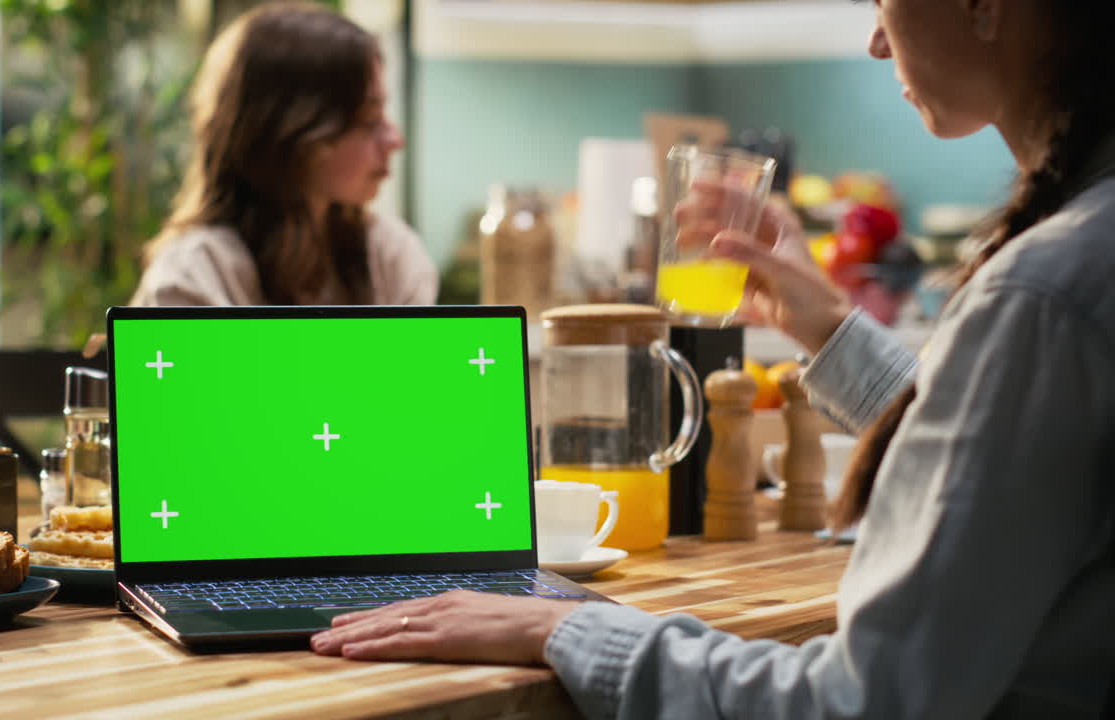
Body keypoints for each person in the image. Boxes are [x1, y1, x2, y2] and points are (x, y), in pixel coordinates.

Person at [310, 2, 1115, 716]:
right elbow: (1014, 463)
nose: (875, 38)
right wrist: (831, 330)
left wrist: (565, 626)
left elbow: (855, 702)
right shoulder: (1078, 259)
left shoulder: (1041, 295)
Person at [128, 2, 437, 308]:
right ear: (293, 132)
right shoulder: (194, 274)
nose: (395, 140)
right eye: (369, 120)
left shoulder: (389, 254)